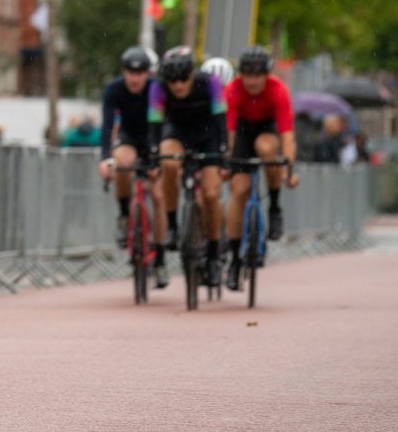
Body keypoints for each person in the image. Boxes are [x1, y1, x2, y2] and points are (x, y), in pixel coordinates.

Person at [148, 46, 228, 289]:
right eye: (172, 80)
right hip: (177, 132)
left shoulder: (210, 82)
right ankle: (172, 225)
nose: (178, 85)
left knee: (211, 195)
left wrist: (223, 151)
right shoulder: (158, 87)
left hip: (207, 136)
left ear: (192, 73)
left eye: (183, 79)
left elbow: (221, 120)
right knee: (168, 162)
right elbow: (155, 124)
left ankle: (213, 254)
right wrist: (153, 155)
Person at [223, 45, 300, 290]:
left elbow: (287, 136)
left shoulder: (278, 90)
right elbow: (229, 134)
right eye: (248, 75)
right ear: (241, 75)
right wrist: (227, 163)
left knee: (266, 148)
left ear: (267, 74)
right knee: (239, 191)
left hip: (267, 129)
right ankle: (234, 261)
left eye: (258, 75)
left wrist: (288, 168)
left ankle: (274, 207)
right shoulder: (232, 90)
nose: (253, 81)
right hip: (242, 132)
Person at [99, 46, 168, 288]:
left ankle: (160, 258)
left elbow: (163, 122)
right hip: (129, 137)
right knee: (122, 162)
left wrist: (157, 158)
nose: (135, 79)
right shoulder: (114, 88)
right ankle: (123, 214)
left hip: (153, 138)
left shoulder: (157, 88)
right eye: (130, 73)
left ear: (148, 73)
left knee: (158, 194)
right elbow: (107, 125)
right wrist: (105, 158)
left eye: (140, 73)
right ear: (123, 72)